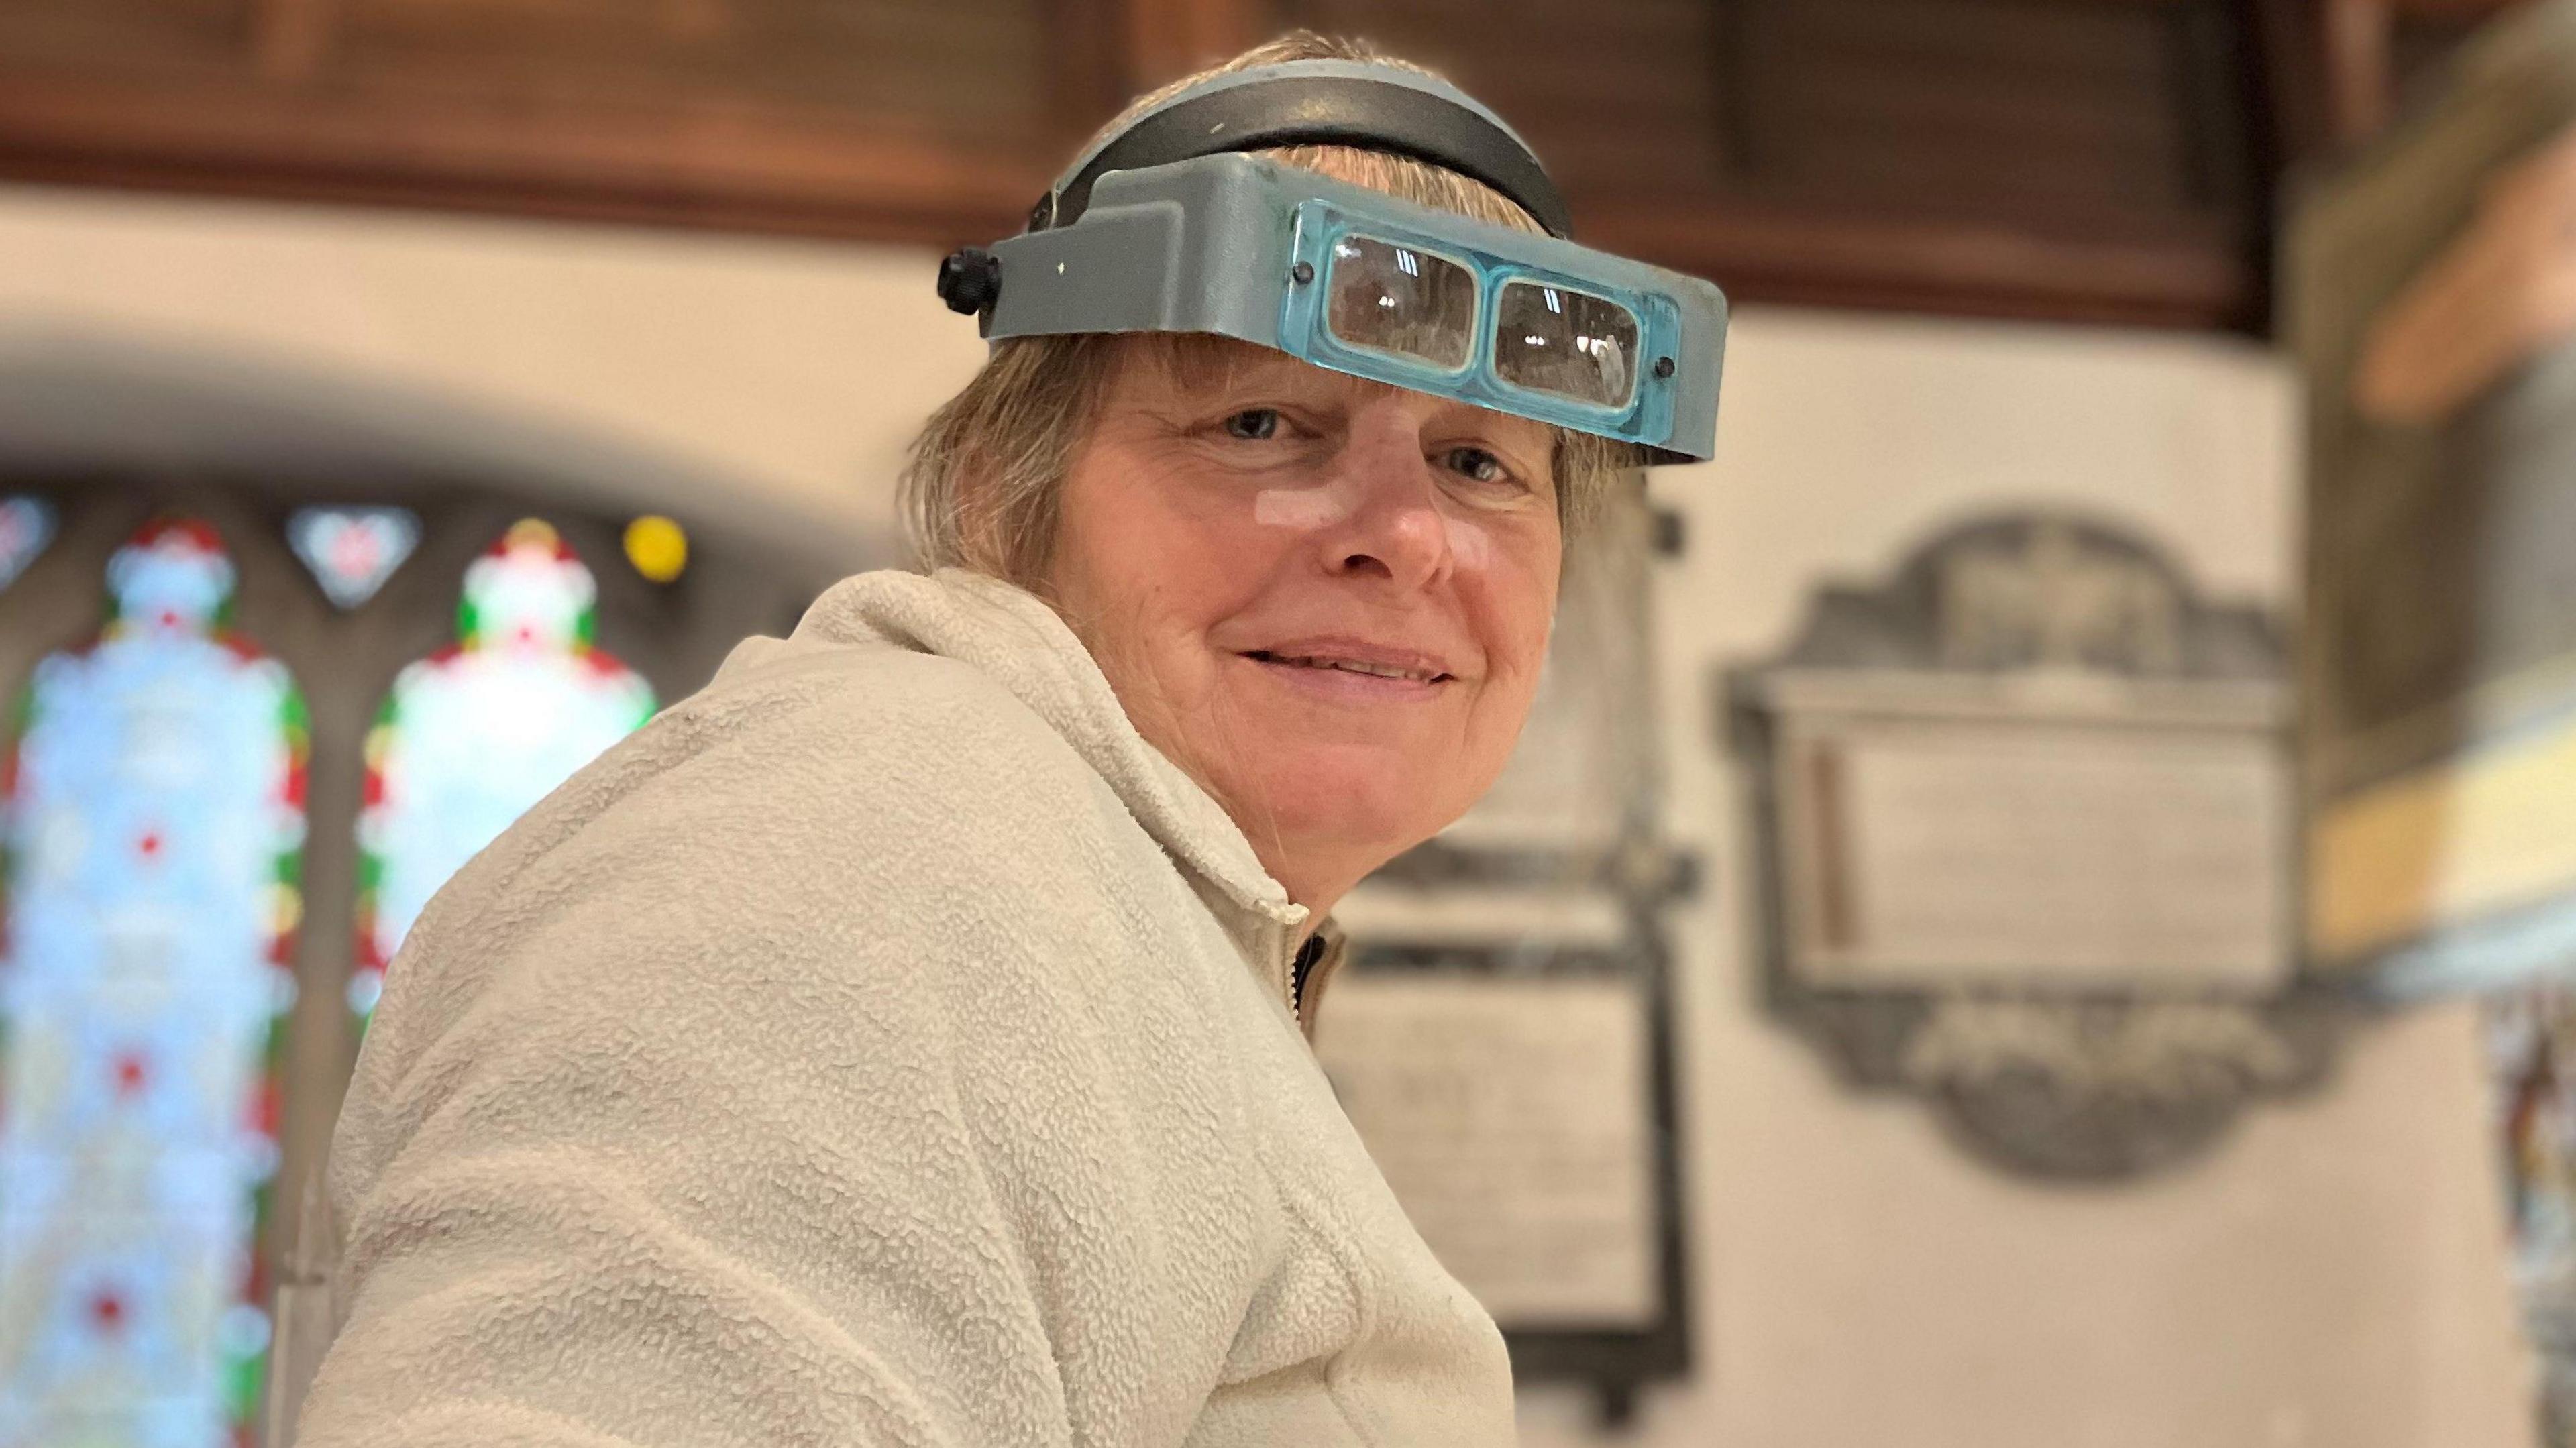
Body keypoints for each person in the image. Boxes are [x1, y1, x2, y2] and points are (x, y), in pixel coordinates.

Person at [291, 31, 1725, 1448]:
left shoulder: (1081, 888)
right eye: (1264, 423)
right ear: (1000, 494)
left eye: (1478, 463)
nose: (1406, 540)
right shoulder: (862, 850)